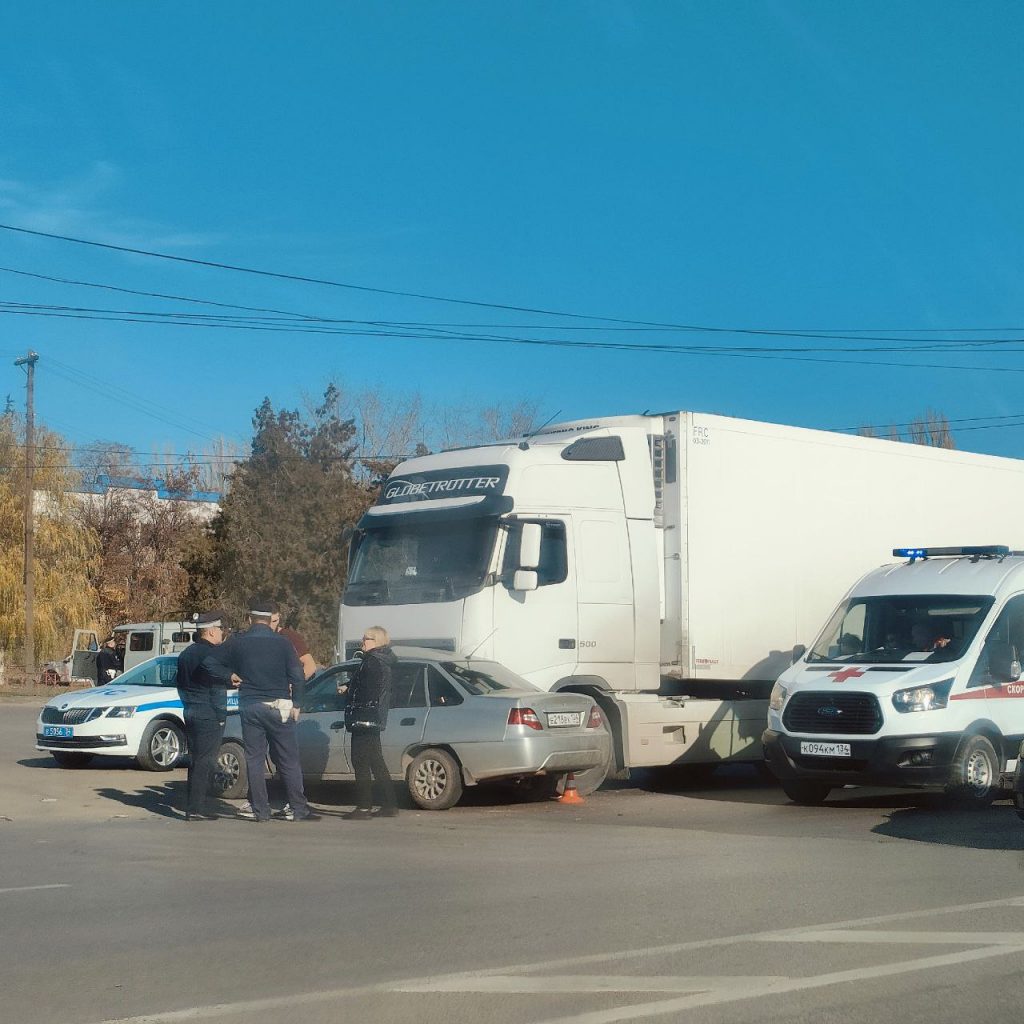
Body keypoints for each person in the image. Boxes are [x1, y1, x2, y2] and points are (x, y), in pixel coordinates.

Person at [216, 598, 320, 823]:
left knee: (254, 758)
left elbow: (212, 661)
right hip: (280, 706)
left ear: (250, 619)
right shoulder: (283, 643)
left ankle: (260, 811)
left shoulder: (238, 641)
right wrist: (298, 703)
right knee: (289, 759)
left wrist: (228, 676)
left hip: (250, 705)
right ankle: (298, 807)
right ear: (269, 620)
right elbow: (297, 675)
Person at [176, 610, 239, 821]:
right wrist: (221, 714)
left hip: (190, 710)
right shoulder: (211, 655)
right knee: (206, 761)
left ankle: (194, 805)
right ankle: (196, 809)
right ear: (211, 632)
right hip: (208, 713)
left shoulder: (186, 653)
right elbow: (215, 686)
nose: (222, 633)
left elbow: (180, 684)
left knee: (196, 760)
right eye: (220, 629)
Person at [341, 625, 398, 819]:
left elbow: (368, 689)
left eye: (365, 638)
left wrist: (350, 692)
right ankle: (390, 805)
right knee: (376, 760)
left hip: (364, 716)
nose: (362, 642)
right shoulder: (383, 661)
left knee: (360, 761)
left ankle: (364, 807)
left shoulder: (371, 661)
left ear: (376, 641)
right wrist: (350, 686)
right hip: (375, 716)